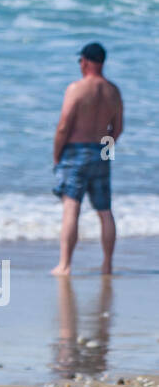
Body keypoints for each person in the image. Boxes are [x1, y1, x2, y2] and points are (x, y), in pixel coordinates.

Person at [51, 42, 123, 276]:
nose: (80, 65)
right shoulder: (113, 91)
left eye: (81, 61)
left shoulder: (77, 89)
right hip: (102, 149)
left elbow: (63, 126)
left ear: (86, 62)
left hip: (76, 151)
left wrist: (56, 155)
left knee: (72, 207)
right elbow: (118, 128)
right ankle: (107, 264)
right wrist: (105, 150)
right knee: (105, 210)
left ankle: (65, 265)